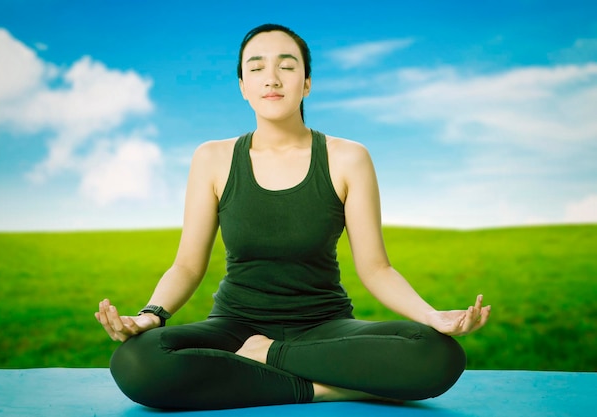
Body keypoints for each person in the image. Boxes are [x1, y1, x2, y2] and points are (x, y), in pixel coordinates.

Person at [95, 23, 491, 411]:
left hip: (326, 328)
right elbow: (186, 265)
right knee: (137, 362)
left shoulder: (348, 158)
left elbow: (376, 268)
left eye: (286, 66)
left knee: (438, 355)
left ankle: (269, 358)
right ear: (243, 88)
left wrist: (431, 316)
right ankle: (327, 389)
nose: (272, 78)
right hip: (234, 326)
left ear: (306, 84)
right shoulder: (212, 159)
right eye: (256, 68)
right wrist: (152, 315)